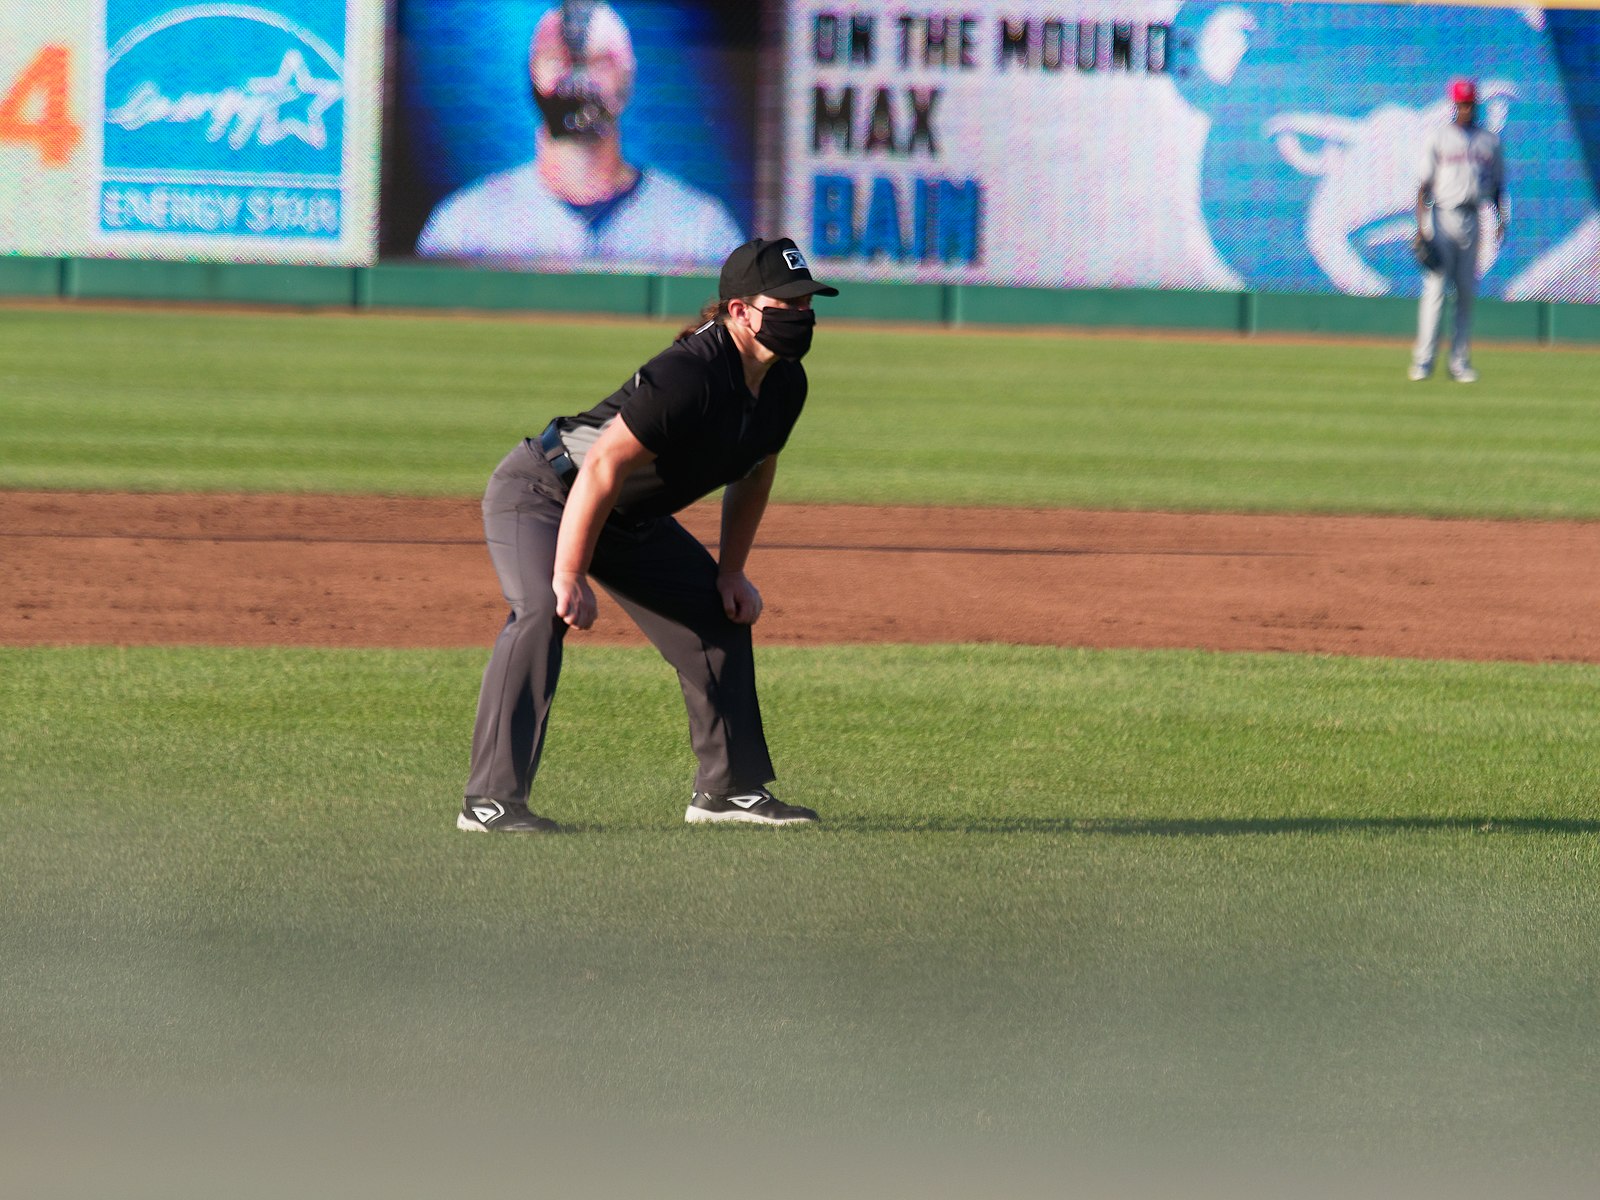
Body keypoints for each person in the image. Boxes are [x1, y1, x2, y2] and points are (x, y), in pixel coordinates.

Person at [458, 237, 838, 833]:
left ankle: (728, 790)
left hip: (629, 520)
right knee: (540, 612)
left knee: (717, 614)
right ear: (739, 311)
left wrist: (730, 570)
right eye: (786, 305)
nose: (802, 317)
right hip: (546, 493)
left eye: (807, 304)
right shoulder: (688, 374)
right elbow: (602, 467)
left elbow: (757, 471)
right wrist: (569, 573)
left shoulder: (786, 384)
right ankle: (490, 803)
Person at [416, 0, 743, 267]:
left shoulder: (700, 229)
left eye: (598, 63)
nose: (577, 80)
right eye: (559, 61)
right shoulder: (466, 225)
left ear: (627, 76)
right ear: (531, 75)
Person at [1409, 77, 1508, 383]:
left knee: (1465, 293)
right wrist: (1420, 228)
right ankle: (1423, 361)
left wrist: (1502, 218)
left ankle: (1459, 362)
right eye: (1462, 103)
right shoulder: (1438, 137)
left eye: (1471, 103)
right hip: (1443, 217)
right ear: (1454, 105)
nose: (1467, 108)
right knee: (1436, 290)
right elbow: (1423, 186)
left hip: (1473, 218)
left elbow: (1497, 185)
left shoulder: (1488, 141)